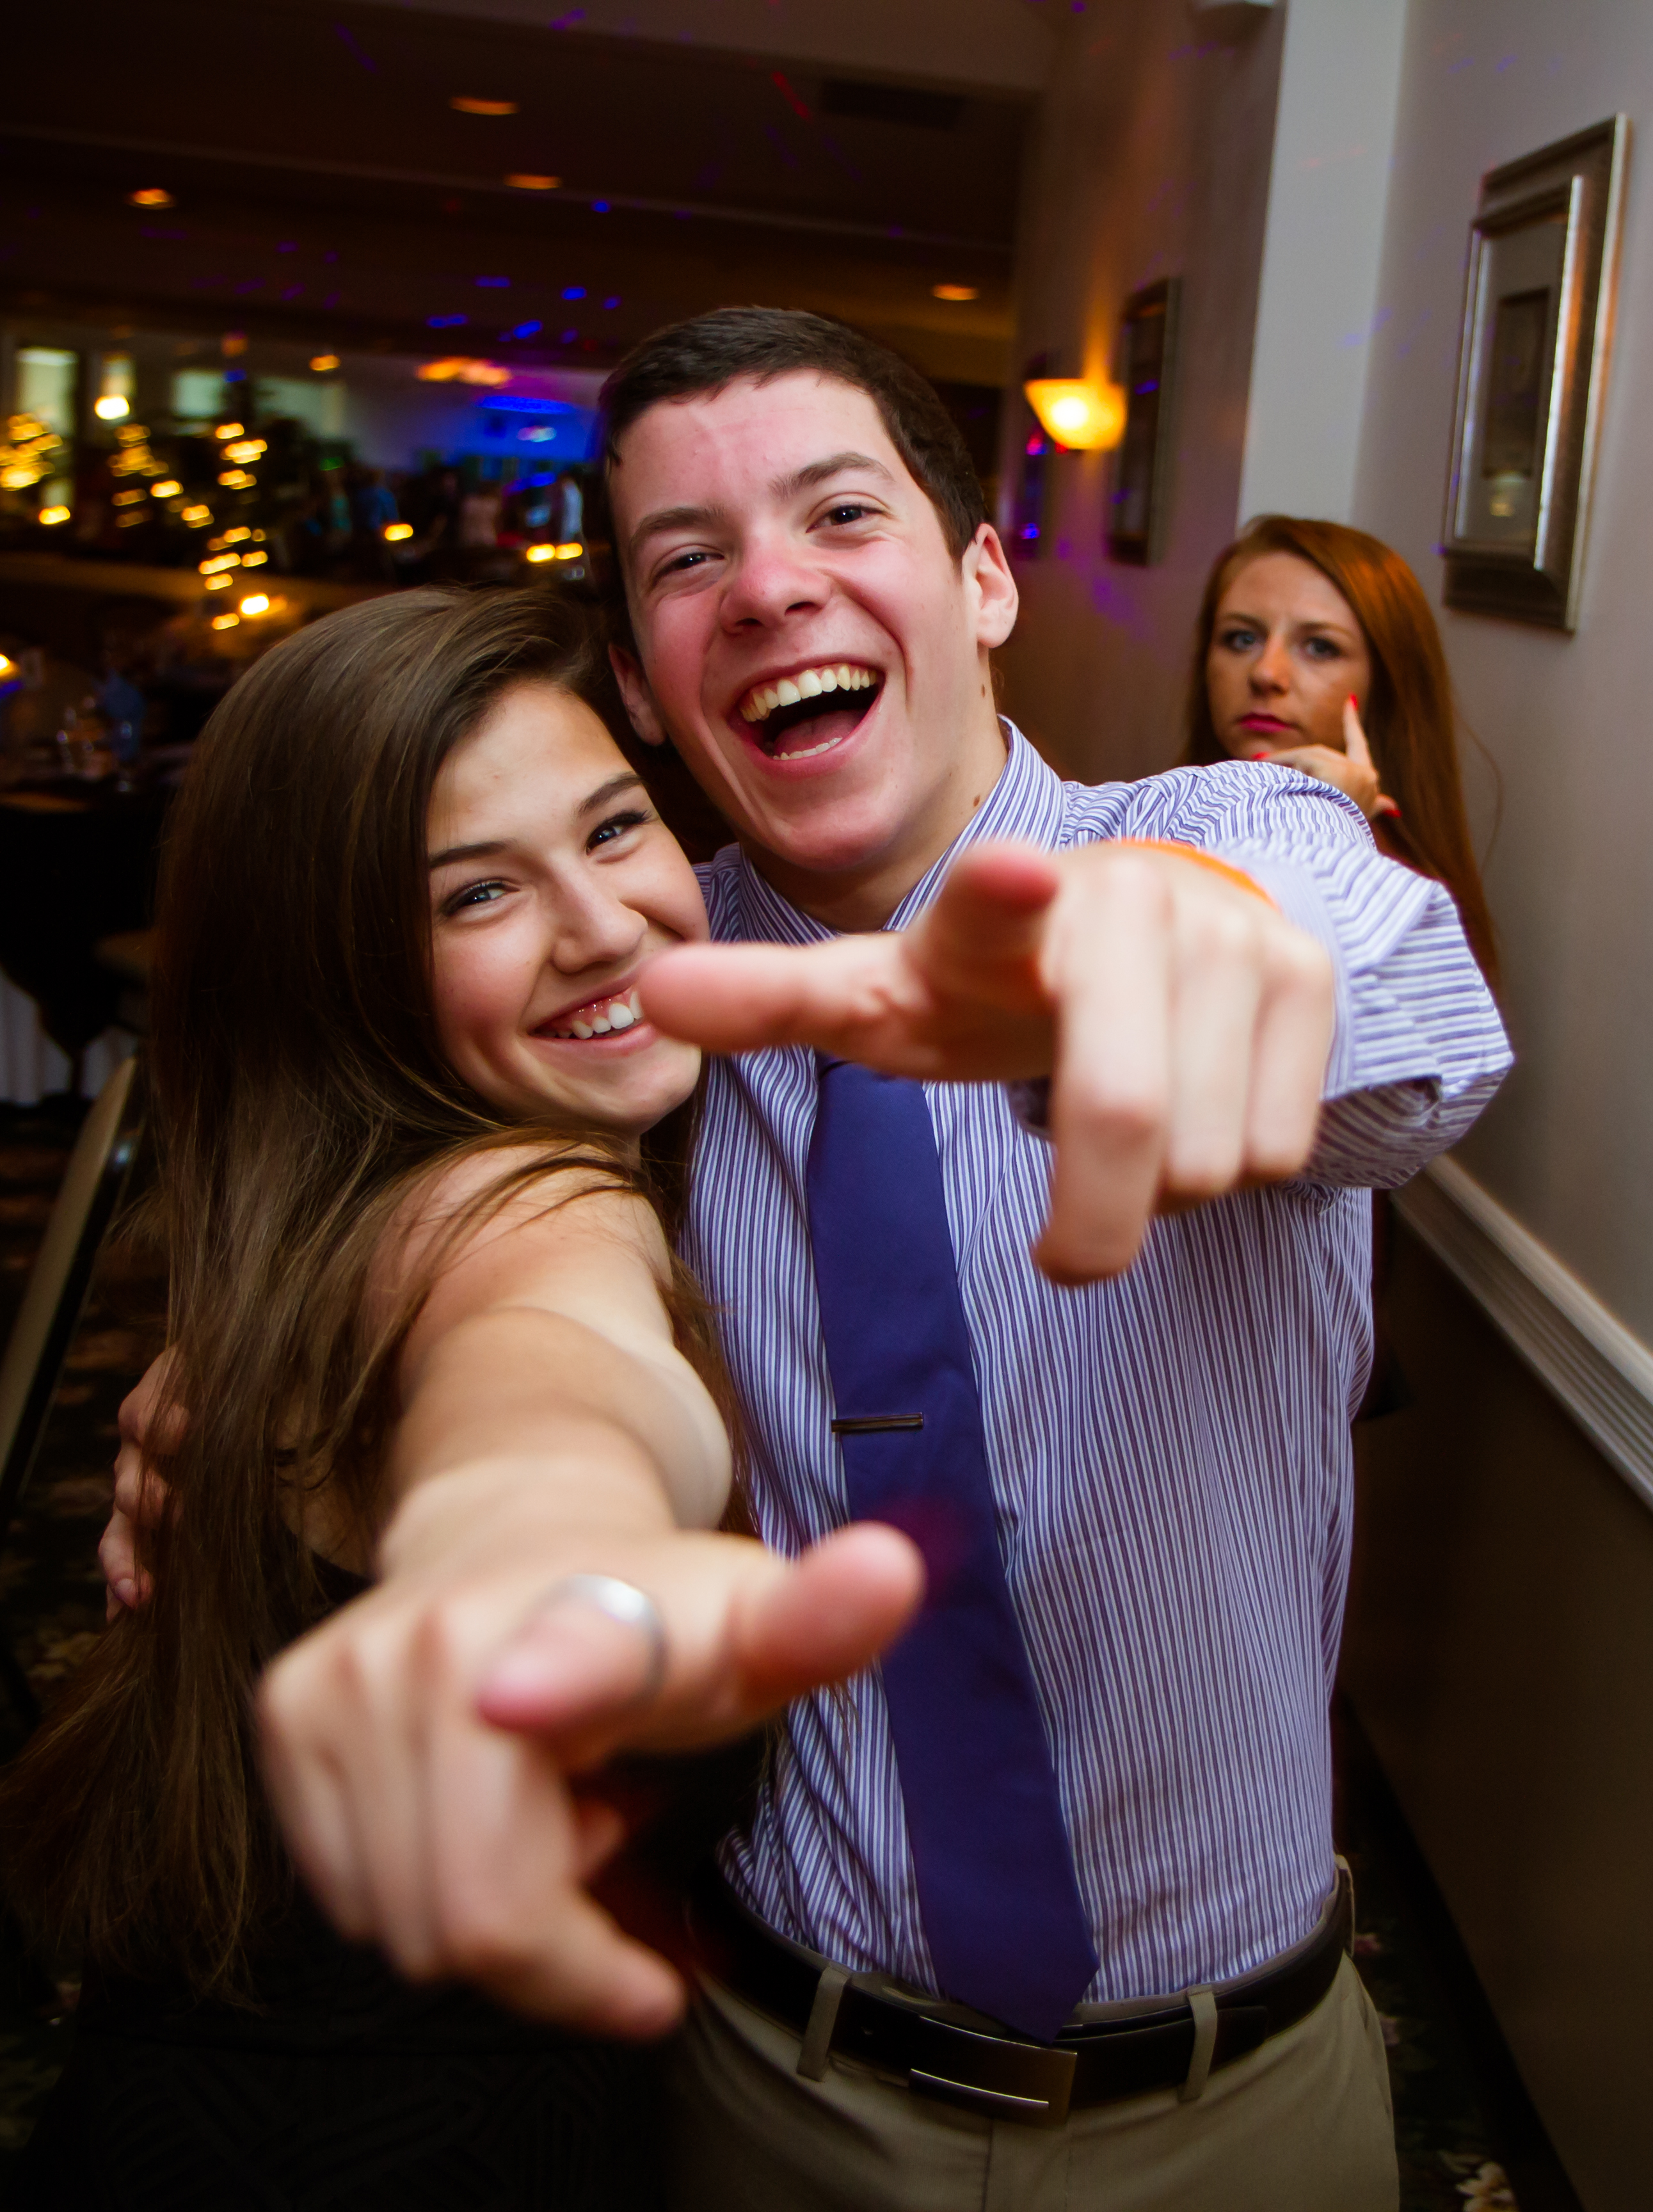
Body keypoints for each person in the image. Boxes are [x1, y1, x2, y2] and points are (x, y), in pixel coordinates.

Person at [108, 309, 1512, 2212]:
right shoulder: (637, 1005)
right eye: (690, 557)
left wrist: (1191, 946)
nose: (770, 587)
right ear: (642, 679)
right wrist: (346, 1418)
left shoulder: (1215, 830)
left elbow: (1394, 1007)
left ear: (985, 579)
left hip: (1241, 2111)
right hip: (768, 2088)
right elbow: (497, 1278)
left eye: (840, 514)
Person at [3, 582, 918, 2209]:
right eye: (478, 891)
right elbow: (548, 1367)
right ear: (341, 967)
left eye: (614, 828)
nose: (603, 924)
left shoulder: (330, 1209)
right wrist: (533, 1544)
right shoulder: (529, 1201)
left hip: (210, 2087)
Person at [1185, 512, 1499, 986]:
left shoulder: (1400, 898)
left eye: (1320, 648)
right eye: (1241, 638)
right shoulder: (1162, 818)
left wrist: (1331, 826)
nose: (1265, 673)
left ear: (1385, 684)